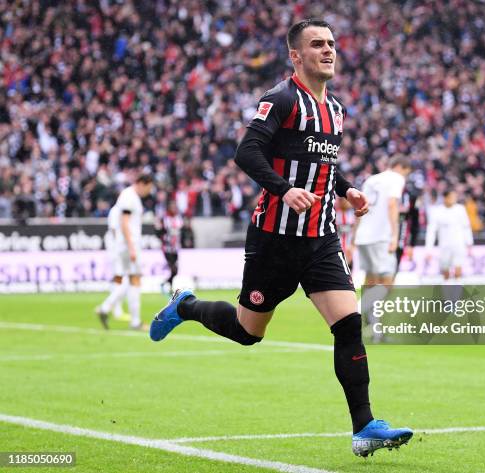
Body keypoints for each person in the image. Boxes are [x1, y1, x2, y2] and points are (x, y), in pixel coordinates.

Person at [149, 19, 413, 457]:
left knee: (349, 324)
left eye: (331, 43)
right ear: (296, 56)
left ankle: (364, 426)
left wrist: (345, 188)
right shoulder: (282, 98)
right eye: (317, 44)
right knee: (248, 332)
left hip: (321, 237)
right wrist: (283, 189)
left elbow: (321, 165)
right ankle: (187, 305)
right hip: (274, 239)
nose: (328, 50)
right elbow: (247, 152)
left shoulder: (337, 109)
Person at [96, 173, 154, 330]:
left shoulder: (128, 196)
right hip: (129, 245)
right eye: (149, 187)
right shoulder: (129, 197)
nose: (149, 191)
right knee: (134, 280)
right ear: (143, 183)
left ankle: (106, 308)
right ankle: (133, 321)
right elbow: (125, 223)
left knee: (129, 280)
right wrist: (131, 246)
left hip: (126, 245)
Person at [354, 157, 411, 286]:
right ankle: (362, 306)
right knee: (388, 280)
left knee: (370, 279)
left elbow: (360, 207)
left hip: (363, 237)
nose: (404, 176)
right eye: (405, 173)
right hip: (381, 237)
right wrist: (395, 236)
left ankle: (365, 306)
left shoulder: (371, 179)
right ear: (399, 167)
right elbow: (392, 204)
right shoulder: (397, 178)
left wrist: (354, 237)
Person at [425, 190, 474, 279]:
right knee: (445, 271)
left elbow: (466, 227)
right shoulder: (437, 211)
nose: (454, 199)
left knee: (458, 269)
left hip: (459, 244)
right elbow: (431, 231)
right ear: (445, 198)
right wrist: (429, 249)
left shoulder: (460, 209)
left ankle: (458, 291)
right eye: (451, 197)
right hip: (444, 245)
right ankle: (447, 291)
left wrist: (469, 243)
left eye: (455, 197)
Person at [101, 204, 129, 320]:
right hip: (117, 251)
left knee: (119, 280)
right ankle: (106, 307)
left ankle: (117, 310)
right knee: (124, 280)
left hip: (118, 250)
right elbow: (113, 229)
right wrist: (120, 246)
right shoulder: (116, 210)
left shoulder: (123, 209)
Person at [155, 200, 183, 294]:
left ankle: (166, 284)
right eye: (172, 207)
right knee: (173, 268)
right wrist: (164, 236)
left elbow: (182, 231)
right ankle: (169, 287)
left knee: (175, 270)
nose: (174, 209)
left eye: (175, 207)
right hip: (167, 248)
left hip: (176, 248)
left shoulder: (179, 218)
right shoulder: (164, 219)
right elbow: (158, 232)